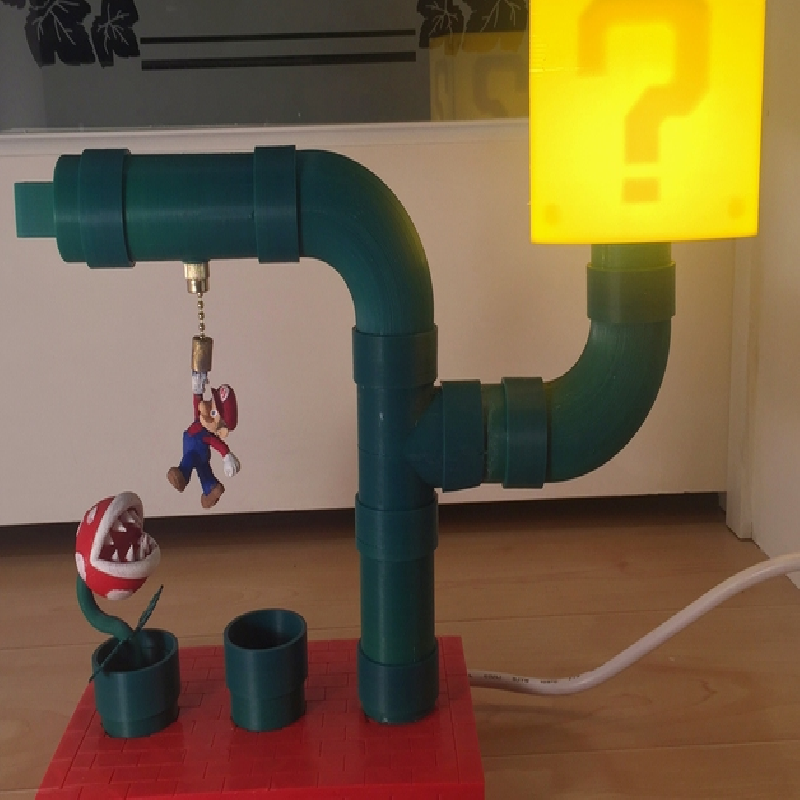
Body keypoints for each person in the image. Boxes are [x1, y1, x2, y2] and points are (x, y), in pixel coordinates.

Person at [167, 371, 240, 508]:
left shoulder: (207, 434)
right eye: (211, 403)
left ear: (221, 430)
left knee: (190, 459)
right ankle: (211, 490)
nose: (205, 407)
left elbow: (218, 444)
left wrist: (227, 456)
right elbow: (197, 403)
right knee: (204, 471)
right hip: (200, 456)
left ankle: (182, 475)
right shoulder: (199, 420)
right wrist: (198, 388)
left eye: (213, 412)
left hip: (196, 453)